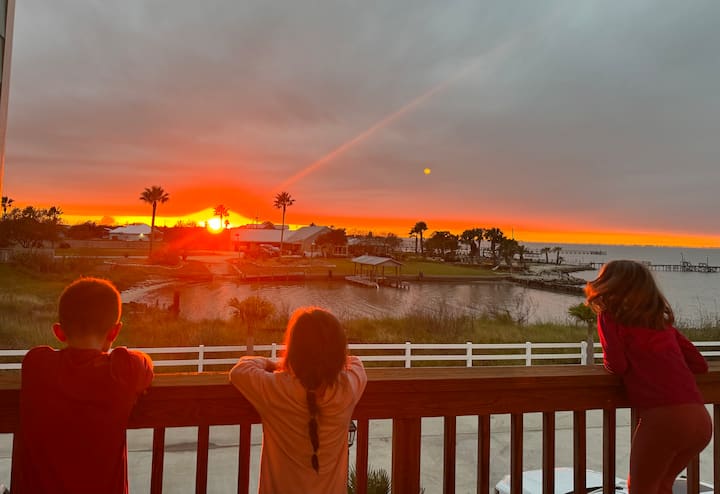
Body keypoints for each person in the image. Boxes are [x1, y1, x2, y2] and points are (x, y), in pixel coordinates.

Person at [16, 277, 154, 494]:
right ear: (115, 332)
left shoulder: (36, 364)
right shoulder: (122, 370)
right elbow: (144, 363)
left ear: (59, 332)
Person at [585, 260, 711, 494]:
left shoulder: (610, 318)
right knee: (661, 486)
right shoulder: (661, 324)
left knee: (640, 489)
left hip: (663, 420)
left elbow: (617, 365)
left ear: (608, 286)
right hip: (700, 421)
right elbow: (699, 365)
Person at [229, 306, 367, 494]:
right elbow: (356, 363)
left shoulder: (277, 389)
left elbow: (240, 370)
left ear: (294, 351)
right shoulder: (346, 388)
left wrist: (273, 364)